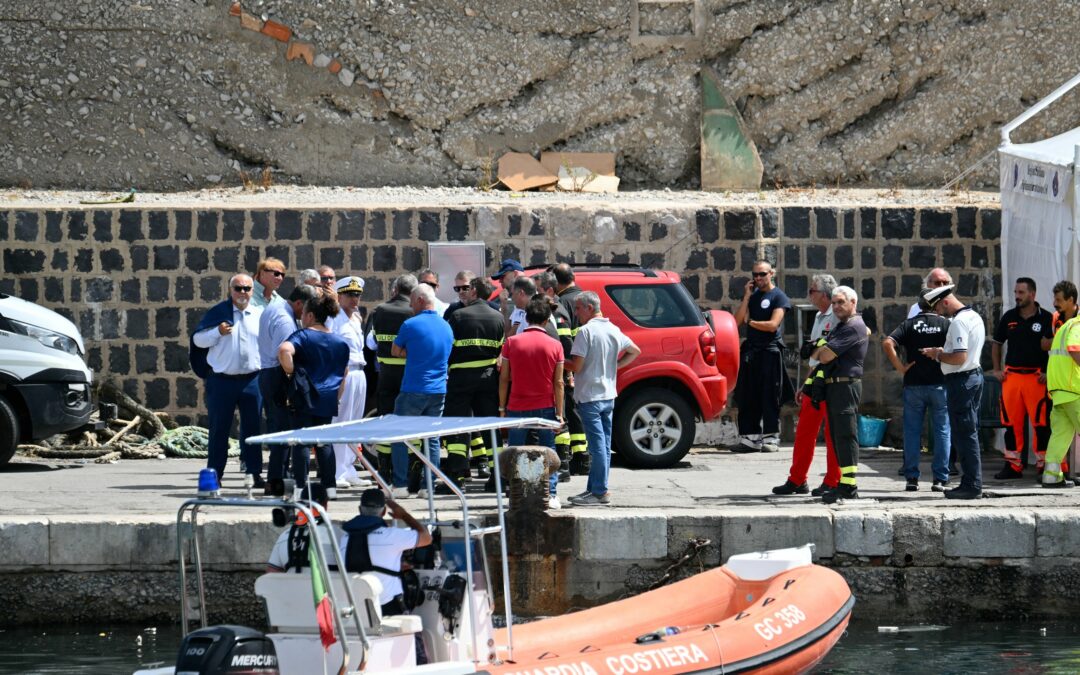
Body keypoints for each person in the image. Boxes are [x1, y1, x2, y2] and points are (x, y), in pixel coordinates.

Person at [566, 291, 641, 506]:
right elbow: (634, 351)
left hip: (590, 396)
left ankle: (599, 491)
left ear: (589, 308)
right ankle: (595, 488)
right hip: (608, 395)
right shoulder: (613, 329)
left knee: (597, 446)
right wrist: (614, 367)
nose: (576, 312)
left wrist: (557, 361)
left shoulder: (586, 331)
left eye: (578, 308)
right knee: (603, 445)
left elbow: (577, 366)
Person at [191, 274, 264, 486]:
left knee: (253, 430)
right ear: (230, 290)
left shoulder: (259, 314)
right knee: (219, 430)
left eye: (246, 288)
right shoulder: (218, 313)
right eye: (238, 288)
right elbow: (198, 340)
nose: (242, 293)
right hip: (222, 381)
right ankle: (215, 475)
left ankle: (253, 474)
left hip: (252, 380)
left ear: (252, 291)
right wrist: (217, 332)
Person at [772, 274, 840, 497]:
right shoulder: (820, 316)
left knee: (833, 434)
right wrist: (805, 383)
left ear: (824, 294)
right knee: (804, 432)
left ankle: (833, 480)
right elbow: (814, 357)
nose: (809, 294)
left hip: (832, 380)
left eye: (812, 291)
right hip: (816, 379)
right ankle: (797, 479)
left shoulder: (838, 315)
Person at [278, 293, 350, 497]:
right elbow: (344, 374)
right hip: (328, 396)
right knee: (324, 442)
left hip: (305, 394)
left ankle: (301, 486)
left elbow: (284, 350)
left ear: (309, 315)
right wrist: (337, 396)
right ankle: (330, 487)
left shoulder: (302, 335)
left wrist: (291, 372)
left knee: (301, 440)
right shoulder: (340, 342)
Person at [921, 284, 986, 500]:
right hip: (973, 376)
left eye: (939, 308)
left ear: (946, 301)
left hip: (961, 380)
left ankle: (971, 484)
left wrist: (938, 354)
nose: (938, 313)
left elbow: (959, 357)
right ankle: (972, 482)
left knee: (964, 433)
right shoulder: (974, 316)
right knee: (969, 431)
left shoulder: (958, 322)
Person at [500, 296, 566, 508]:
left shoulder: (511, 343)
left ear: (526, 318)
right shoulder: (556, 345)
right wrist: (560, 413)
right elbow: (559, 383)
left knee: (516, 450)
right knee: (547, 450)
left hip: (517, 405)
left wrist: (502, 407)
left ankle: (516, 494)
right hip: (545, 407)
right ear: (547, 319)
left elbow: (504, 378)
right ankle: (551, 494)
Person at [883, 288, 952, 492]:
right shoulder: (946, 324)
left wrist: (900, 367)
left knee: (912, 432)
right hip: (940, 383)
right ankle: (940, 478)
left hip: (913, 384)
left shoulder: (909, 324)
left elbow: (887, 342)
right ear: (935, 303)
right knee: (942, 430)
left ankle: (911, 478)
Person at [441, 276, 505, 492]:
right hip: (488, 378)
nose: (464, 292)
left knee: (457, 426)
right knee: (489, 425)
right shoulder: (498, 317)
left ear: (475, 292)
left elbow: (447, 349)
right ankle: (498, 478)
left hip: (461, 378)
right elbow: (499, 350)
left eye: (468, 289)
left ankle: (457, 476)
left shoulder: (458, 316)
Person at [390, 284, 454, 497]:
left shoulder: (410, 324)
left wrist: (413, 353)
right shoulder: (446, 326)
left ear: (419, 300)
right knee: (432, 439)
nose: (410, 306)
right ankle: (428, 487)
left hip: (413, 388)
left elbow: (395, 350)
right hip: (439, 391)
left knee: (399, 435)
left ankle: (400, 486)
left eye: (411, 302)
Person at [989, 278, 1054, 480]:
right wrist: (997, 369)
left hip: (1037, 378)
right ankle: (1013, 466)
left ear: (1032, 294)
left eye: (1021, 292)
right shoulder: (1009, 316)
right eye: (1016, 292)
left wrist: (1048, 372)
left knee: (1042, 424)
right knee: (1010, 423)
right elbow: (997, 343)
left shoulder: (1047, 318)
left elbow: (1057, 348)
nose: (1017, 296)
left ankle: (1044, 466)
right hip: (1012, 378)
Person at [258, 283, 319, 496]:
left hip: (268, 374)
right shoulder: (285, 320)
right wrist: (295, 378)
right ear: (299, 303)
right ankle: (276, 482)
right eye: (307, 309)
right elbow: (283, 355)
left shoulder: (275, 307)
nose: (307, 315)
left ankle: (277, 480)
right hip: (277, 375)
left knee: (279, 430)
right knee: (283, 433)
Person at [812, 286, 869, 504]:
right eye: (834, 302)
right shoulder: (842, 326)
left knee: (846, 435)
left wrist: (818, 349)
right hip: (835, 386)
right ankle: (843, 484)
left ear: (853, 302)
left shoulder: (853, 327)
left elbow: (823, 355)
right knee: (837, 436)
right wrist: (819, 350)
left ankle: (849, 485)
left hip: (846, 386)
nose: (836, 307)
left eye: (840, 302)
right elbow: (818, 352)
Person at [340, 489, 433, 616]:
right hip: (387, 606)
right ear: (384, 511)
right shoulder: (392, 536)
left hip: (355, 605)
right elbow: (427, 538)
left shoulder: (344, 536)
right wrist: (404, 515)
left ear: (360, 509)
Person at [732, 260, 793, 453]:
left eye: (762, 274)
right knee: (747, 394)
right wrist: (747, 296)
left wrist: (752, 322)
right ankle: (750, 438)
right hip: (751, 352)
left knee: (769, 395)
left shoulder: (779, 297)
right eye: (755, 275)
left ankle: (771, 438)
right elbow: (737, 321)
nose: (758, 278)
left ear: (771, 273)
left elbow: (773, 325)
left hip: (770, 351)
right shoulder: (754, 296)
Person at [365, 274, 417, 482]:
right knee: (411, 423)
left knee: (386, 420)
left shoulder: (379, 310)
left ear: (395, 289)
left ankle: (384, 471)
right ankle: (412, 474)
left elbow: (370, 343)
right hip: (409, 373)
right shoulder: (414, 311)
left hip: (386, 373)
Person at [331, 276, 370, 489]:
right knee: (341, 422)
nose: (355, 299)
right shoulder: (333, 319)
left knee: (355, 422)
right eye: (350, 295)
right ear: (340, 295)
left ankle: (349, 468)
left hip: (359, 372)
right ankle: (337, 470)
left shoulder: (356, 318)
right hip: (344, 372)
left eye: (357, 295)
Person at [552, 263, 589, 475]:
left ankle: (567, 459)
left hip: (568, 365)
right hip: (585, 364)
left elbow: (565, 340)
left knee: (566, 410)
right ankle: (583, 457)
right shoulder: (585, 297)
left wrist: (566, 370)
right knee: (578, 411)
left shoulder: (561, 303)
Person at [1042, 309, 1080, 488]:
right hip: (1074, 388)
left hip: (1059, 390)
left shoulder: (1066, 326)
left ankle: (1051, 476)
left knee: (1060, 434)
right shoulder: (1077, 325)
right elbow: (1074, 349)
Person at [266, 484, 340, 573]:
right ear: (326, 504)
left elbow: (272, 573)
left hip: (292, 587)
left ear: (301, 504)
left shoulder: (284, 536)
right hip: (329, 587)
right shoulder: (339, 536)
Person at [492, 259, 525, 335]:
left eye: (502, 277)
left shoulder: (534, 298)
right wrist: (504, 307)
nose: (500, 281)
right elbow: (507, 335)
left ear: (515, 274)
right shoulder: (511, 299)